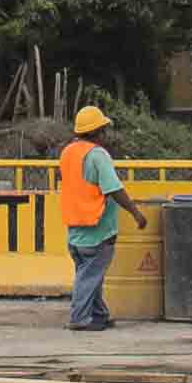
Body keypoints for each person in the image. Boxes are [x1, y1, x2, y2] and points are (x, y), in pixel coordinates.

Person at [54, 104, 128, 335]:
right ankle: (80, 317)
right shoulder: (97, 155)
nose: (105, 135)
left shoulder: (67, 152)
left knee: (89, 275)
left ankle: (99, 315)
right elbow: (114, 188)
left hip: (75, 232)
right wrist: (136, 213)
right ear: (98, 132)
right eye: (104, 130)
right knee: (89, 277)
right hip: (98, 231)